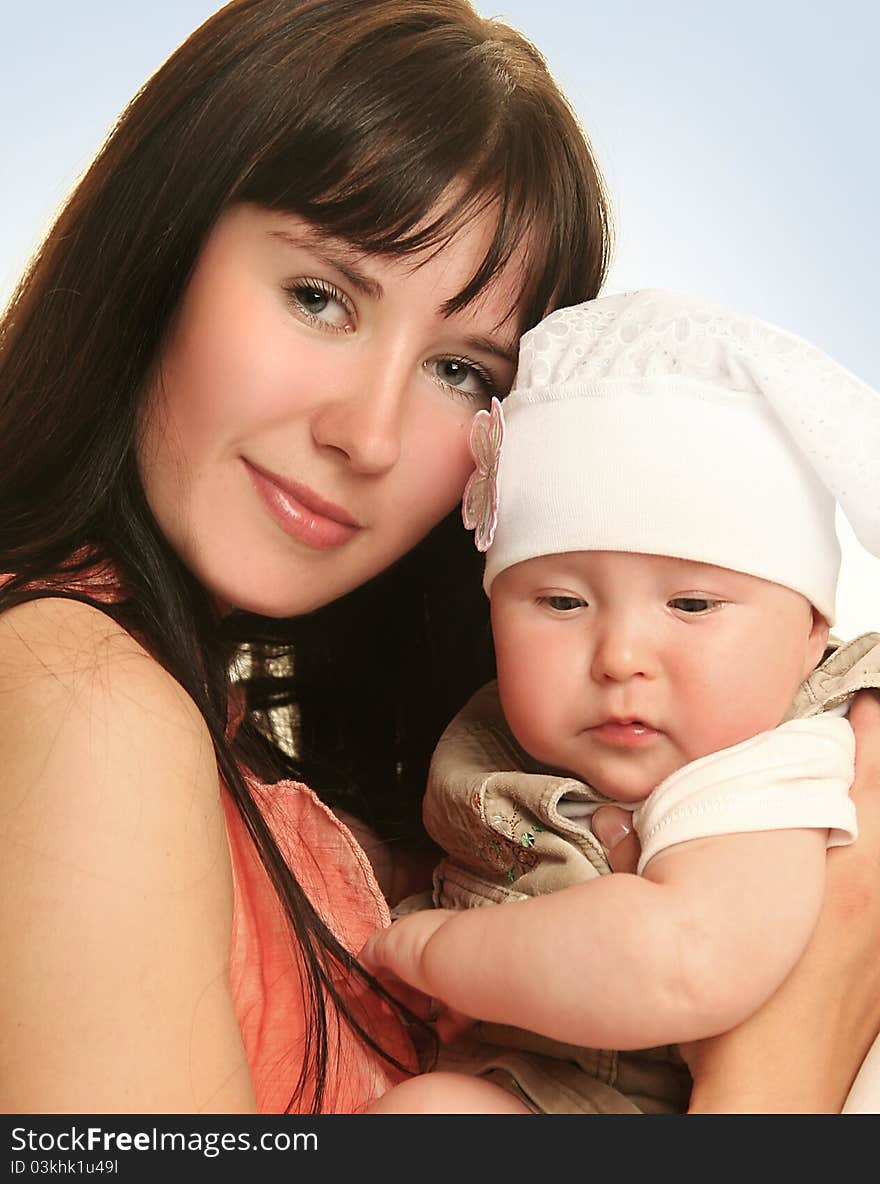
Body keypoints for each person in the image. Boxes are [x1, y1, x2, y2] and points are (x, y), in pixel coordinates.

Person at [0, 0, 878, 1118]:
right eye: (319, 297)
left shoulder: (335, 766)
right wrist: (784, 1054)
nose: (365, 436)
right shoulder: (78, 694)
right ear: (161, 244)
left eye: (462, 370)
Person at [360, 289, 880, 1113]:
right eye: (562, 603)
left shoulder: (770, 769)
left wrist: (439, 949)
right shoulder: (504, 741)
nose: (621, 658)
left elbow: (684, 961)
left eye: (693, 605)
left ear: (812, 628)